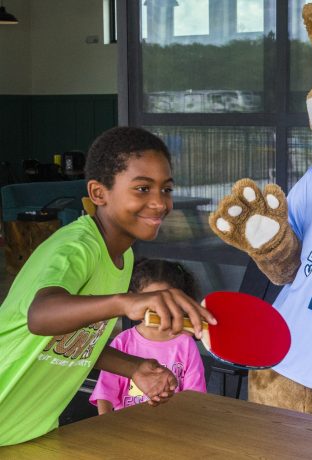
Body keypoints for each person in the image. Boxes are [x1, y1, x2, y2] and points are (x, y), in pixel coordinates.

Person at [0, 126, 216, 446]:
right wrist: (125, 302)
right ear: (99, 193)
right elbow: (41, 317)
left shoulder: (122, 257)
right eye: (142, 189)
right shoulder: (76, 248)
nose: (159, 203)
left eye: (166, 189)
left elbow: (76, 339)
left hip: (29, 431)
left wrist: (135, 368)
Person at [90, 258, 207, 414]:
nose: (158, 309)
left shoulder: (186, 344)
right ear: (134, 300)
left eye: (166, 302)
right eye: (150, 301)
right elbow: (105, 392)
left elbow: (195, 397)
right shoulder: (123, 341)